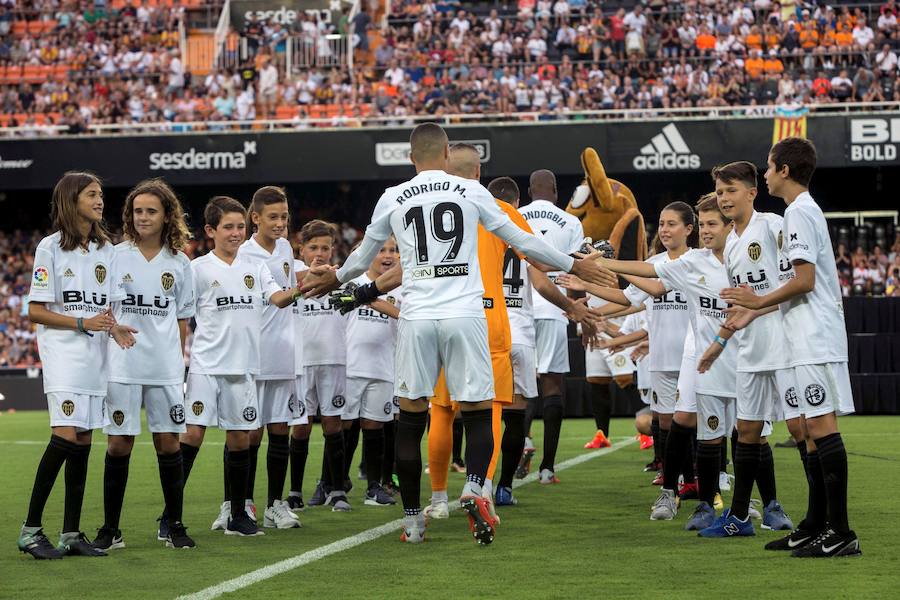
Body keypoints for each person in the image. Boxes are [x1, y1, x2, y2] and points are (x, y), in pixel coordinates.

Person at [300, 123, 609, 545]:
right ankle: (475, 486)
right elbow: (522, 241)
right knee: (480, 412)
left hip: (417, 317)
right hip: (467, 315)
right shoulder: (472, 192)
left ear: (412, 158)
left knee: (412, 419)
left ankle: (413, 519)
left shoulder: (393, 197)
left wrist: (334, 277)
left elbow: (363, 257)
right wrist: (575, 265)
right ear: (446, 153)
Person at [723, 138, 860, 557]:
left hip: (813, 337)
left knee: (820, 428)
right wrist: (755, 313)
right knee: (809, 430)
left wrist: (756, 301)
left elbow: (804, 281)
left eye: (768, 167)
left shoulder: (799, 212)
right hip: (802, 337)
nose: (764, 174)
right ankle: (816, 524)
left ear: (783, 170)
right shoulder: (799, 212)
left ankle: (841, 533)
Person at [18, 172, 128, 559]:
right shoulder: (50, 247)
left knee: (83, 439)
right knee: (65, 435)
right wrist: (82, 323)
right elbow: (35, 311)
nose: (100, 201)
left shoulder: (107, 250)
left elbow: (107, 309)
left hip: (95, 358)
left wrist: (115, 329)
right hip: (64, 356)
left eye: (101, 194)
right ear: (71, 199)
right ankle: (31, 530)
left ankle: (70, 533)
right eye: (92, 194)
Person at [180, 196, 299, 537]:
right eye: (228, 227)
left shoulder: (255, 268)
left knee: (240, 439)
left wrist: (304, 287)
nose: (235, 233)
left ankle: (237, 516)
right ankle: (170, 516)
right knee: (193, 435)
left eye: (239, 227)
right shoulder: (198, 269)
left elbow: (278, 298)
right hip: (206, 365)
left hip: (243, 367)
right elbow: (183, 315)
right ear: (210, 230)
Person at [696, 161, 800, 538]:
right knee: (747, 432)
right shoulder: (733, 242)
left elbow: (795, 288)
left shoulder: (773, 227)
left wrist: (757, 305)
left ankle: (817, 519)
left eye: (731, 190)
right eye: (720, 192)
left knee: (803, 430)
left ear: (752, 193)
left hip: (786, 347)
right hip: (750, 351)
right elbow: (742, 306)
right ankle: (739, 517)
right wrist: (719, 344)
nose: (724, 198)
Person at [95, 179, 196, 551]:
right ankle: (110, 529)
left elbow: (182, 320)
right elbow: (103, 311)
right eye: (137, 211)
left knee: (168, 444)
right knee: (119, 443)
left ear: (167, 215)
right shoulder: (114, 255)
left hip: (165, 367)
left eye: (151, 211)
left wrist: (177, 365)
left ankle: (175, 524)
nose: (143, 217)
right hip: (122, 364)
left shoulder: (180, 263)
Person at [232, 186, 302, 530]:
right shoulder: (242, 254)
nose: (279, 223)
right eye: (272, 217)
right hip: (253, 355)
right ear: (255, 217)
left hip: (283, 353)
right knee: (248, 433)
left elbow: (288, 289)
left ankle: (276, 504)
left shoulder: (287, 247)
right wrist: (306, 286)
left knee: (279, 429)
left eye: (284, 216)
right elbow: (280, 297)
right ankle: (239, 503)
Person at [519, 169, 586, 485]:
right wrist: (574, 310)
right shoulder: (571, 222)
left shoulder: (513, 217)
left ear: (530, 191)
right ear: (556, 191)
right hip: (555, 305)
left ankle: (524, 440)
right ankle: (547, 468)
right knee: (552, 383)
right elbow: (577, 270)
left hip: (517, 308)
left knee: (521, 384)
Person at [292, 220, 352, 512]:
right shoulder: (291, 275)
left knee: (332, 424)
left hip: (335, 360)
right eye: (313, 247)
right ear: (301, 249)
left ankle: (337, 489)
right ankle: (294, 491)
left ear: (333, 250)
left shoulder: (342, 278)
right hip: (300, 363)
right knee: (300, 428)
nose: (319, 252)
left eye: (325, 247)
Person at [342, 237, 401, 507]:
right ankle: (336, 484)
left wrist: (367, 297)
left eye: (394, 250)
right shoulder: (352, 281)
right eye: (382, 250)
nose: (388, 255)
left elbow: (404, 314)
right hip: (351, 365)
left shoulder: (403, 288)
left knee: (375, 426)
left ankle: (374, 486)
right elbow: (338, 307)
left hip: (384, 367)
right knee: (344, 427)